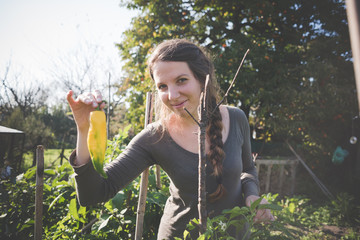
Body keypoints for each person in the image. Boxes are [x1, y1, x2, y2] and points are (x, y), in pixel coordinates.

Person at [66, 39, 274, 239]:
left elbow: (248, 169)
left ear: (203, 79)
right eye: (162, 86)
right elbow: (93, 194)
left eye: (181, 80)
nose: (172, 95)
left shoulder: (236, 118)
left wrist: (252, 195)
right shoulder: (156, 137)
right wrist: (84, 130)